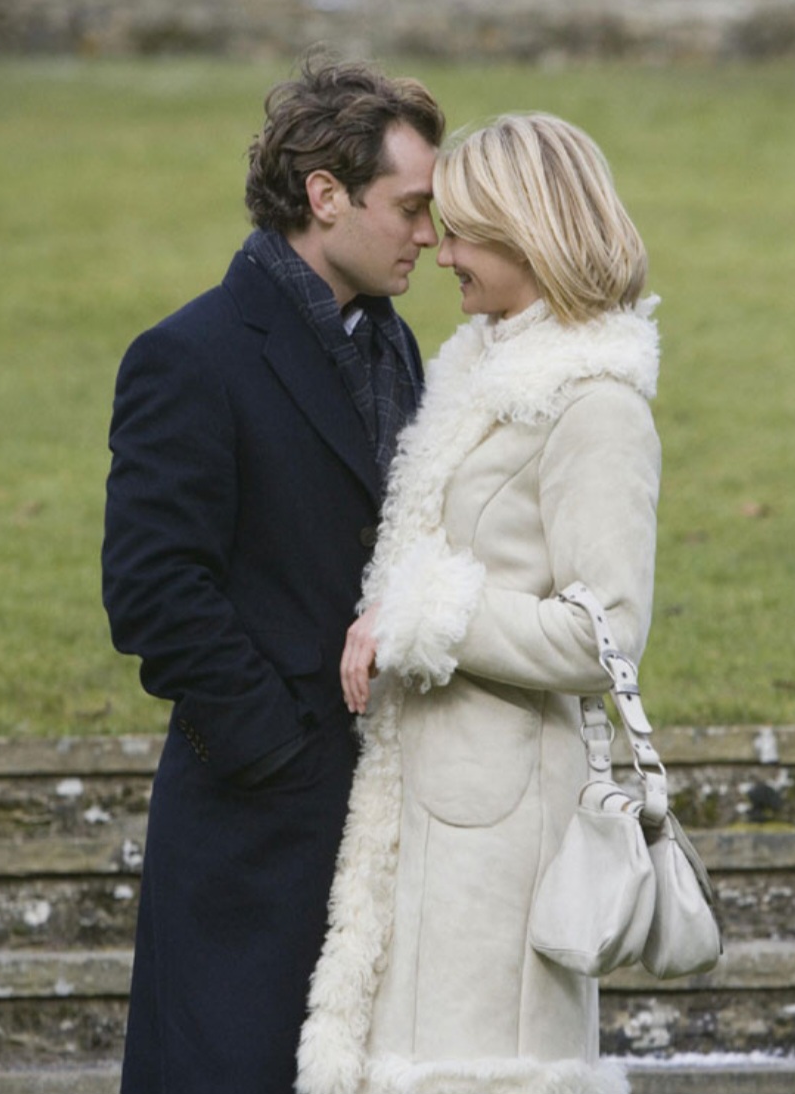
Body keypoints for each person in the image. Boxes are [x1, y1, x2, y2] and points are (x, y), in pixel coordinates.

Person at [295, 114, 662, 1094]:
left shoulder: (596, 402)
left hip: (505, 830)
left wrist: (425, 612)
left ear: (526, 233)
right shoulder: (478, 370)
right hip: (428, 808)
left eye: (460, 231)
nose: (439, 249)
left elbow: (604, 636)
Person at [101, 59, 445, 1093]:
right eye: (411, 208)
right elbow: (154, 591)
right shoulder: (188, 355)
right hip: (248, 833)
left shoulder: (398, 346)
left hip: (380, 828)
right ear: (325, 194)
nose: (430, 236)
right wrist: (273, 752)